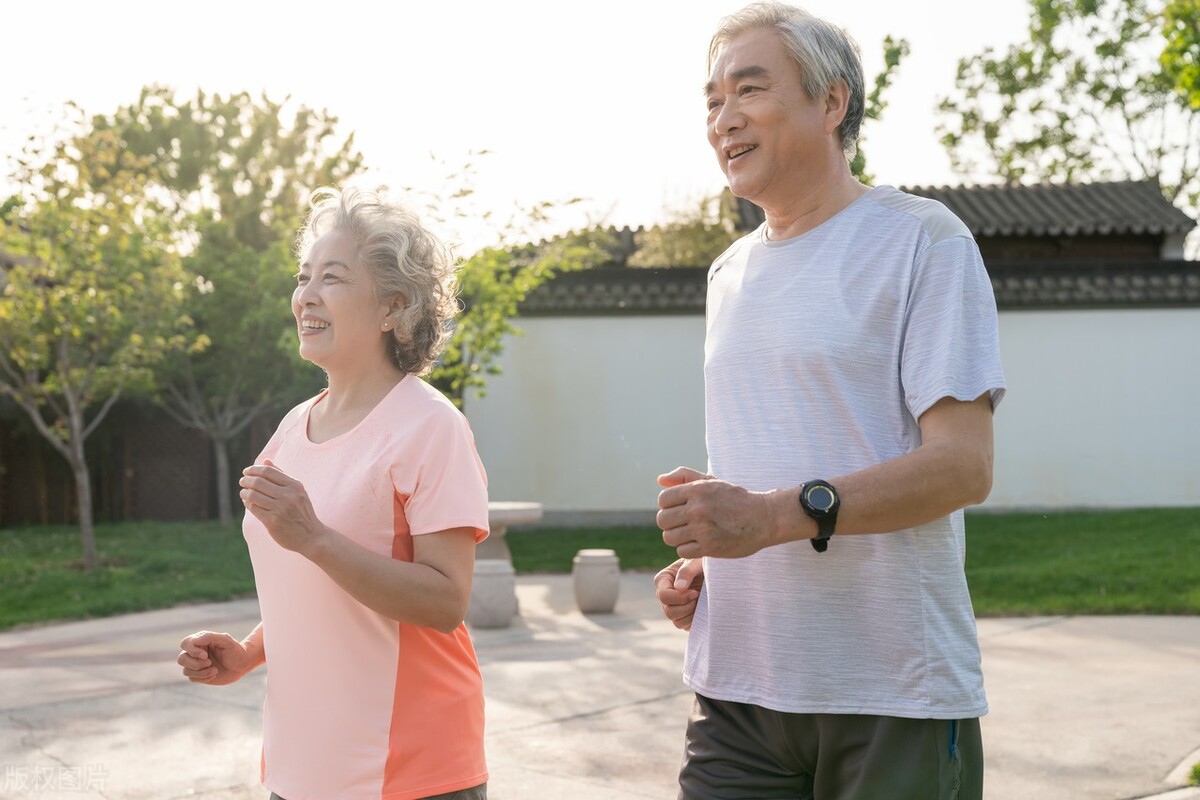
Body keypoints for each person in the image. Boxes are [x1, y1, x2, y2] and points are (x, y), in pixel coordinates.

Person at [653, 4, 1006, 799]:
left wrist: (773, 517)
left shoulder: (923, 240)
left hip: (890, 691)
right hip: (738, 686)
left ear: (832, 102)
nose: (723, 118)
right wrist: (706, 555)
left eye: (749, 89)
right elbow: (764, 459)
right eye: (712, 101)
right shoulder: (727, 274)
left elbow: (963, 466)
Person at [177, 187, 490, 800]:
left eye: (333, 278)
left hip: (408, 771)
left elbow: (445, 600)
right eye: (303, 277)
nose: (306, 295)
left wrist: (315, 538)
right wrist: (248, 652)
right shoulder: (294, 425)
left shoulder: (431, 426)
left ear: (395, 308)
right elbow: (317, 591)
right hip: (300, 768)